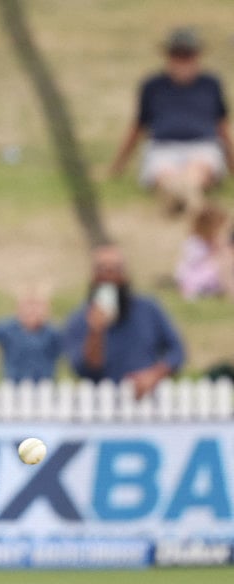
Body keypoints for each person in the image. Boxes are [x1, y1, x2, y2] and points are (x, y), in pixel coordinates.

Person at [109, 27, 234, 217]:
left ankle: (183, 194)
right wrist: (119, 165)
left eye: (187, 55)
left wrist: (231, 162)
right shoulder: (152, 86)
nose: (182, 61)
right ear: (168, 56)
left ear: (197, 56)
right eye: (177, 55)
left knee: (198, 168)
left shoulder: (211, 84)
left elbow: (222, 126)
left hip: (202, 145)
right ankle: (189, 198)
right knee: (164, 171)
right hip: (163, 146)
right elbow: (138, 127)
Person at [63, 243, 185, 399]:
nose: (109, 276)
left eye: (115, 269)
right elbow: (84, 370)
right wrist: (95, 332)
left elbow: (177, 351)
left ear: (125, 274)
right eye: (102, 269)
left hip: (146, 402)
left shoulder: (149, 310)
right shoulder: (79, 320)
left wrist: (154, 375)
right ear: (93, 276)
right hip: (101, 405)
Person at [0, 282, 61, 382]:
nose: (32, 310)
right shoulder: (6, 329)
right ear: (19, 308)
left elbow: (68, 349)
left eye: (37, 305)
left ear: (46, 309)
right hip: (13, 387)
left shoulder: (53, 333)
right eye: (28, 305)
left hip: (44, 387)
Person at [174, 202, 234, 300]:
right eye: (218, 228)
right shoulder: (194, 242)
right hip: (194, 276)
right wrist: (214, 252)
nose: (220, 232)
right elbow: (193, 261)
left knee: (227, 261)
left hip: (209, 274)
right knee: (223, 264)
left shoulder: (212, 242)